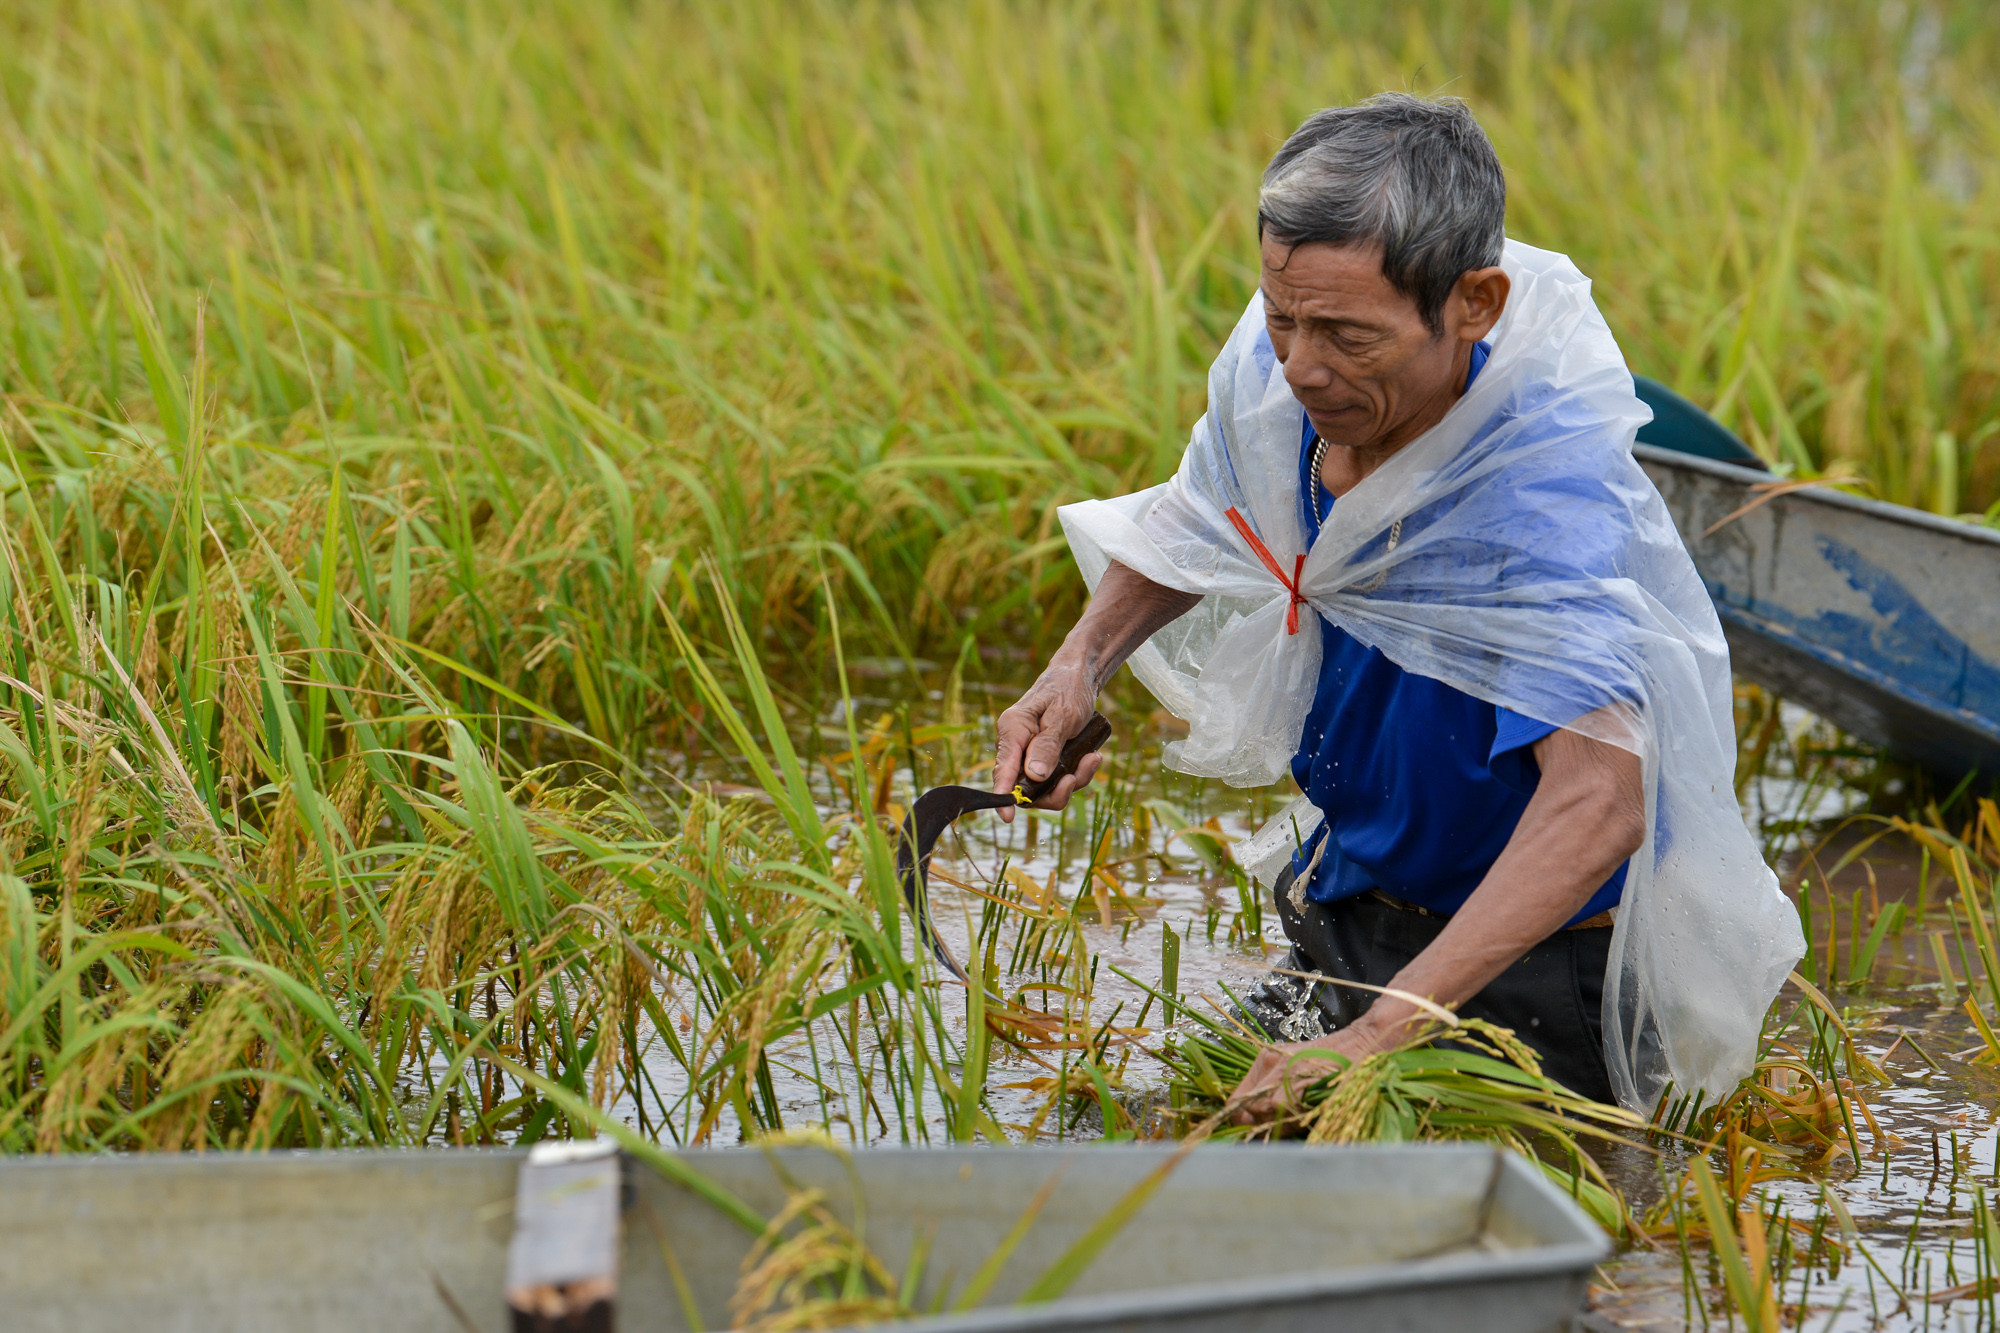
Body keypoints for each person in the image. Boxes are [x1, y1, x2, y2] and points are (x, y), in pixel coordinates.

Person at [989, 93, 1801, 1119]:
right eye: (1281, 320)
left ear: (1474, 304)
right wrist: (1075, 670)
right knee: (1146, 1141)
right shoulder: (1282, 373)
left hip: (1533, 970)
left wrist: (1377, 1035)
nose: (1299, 367)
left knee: (1531, 1248)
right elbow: (1205, 511)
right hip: (1353, 909)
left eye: (1343, 336)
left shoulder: (1537, 500)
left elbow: (1598, 799)